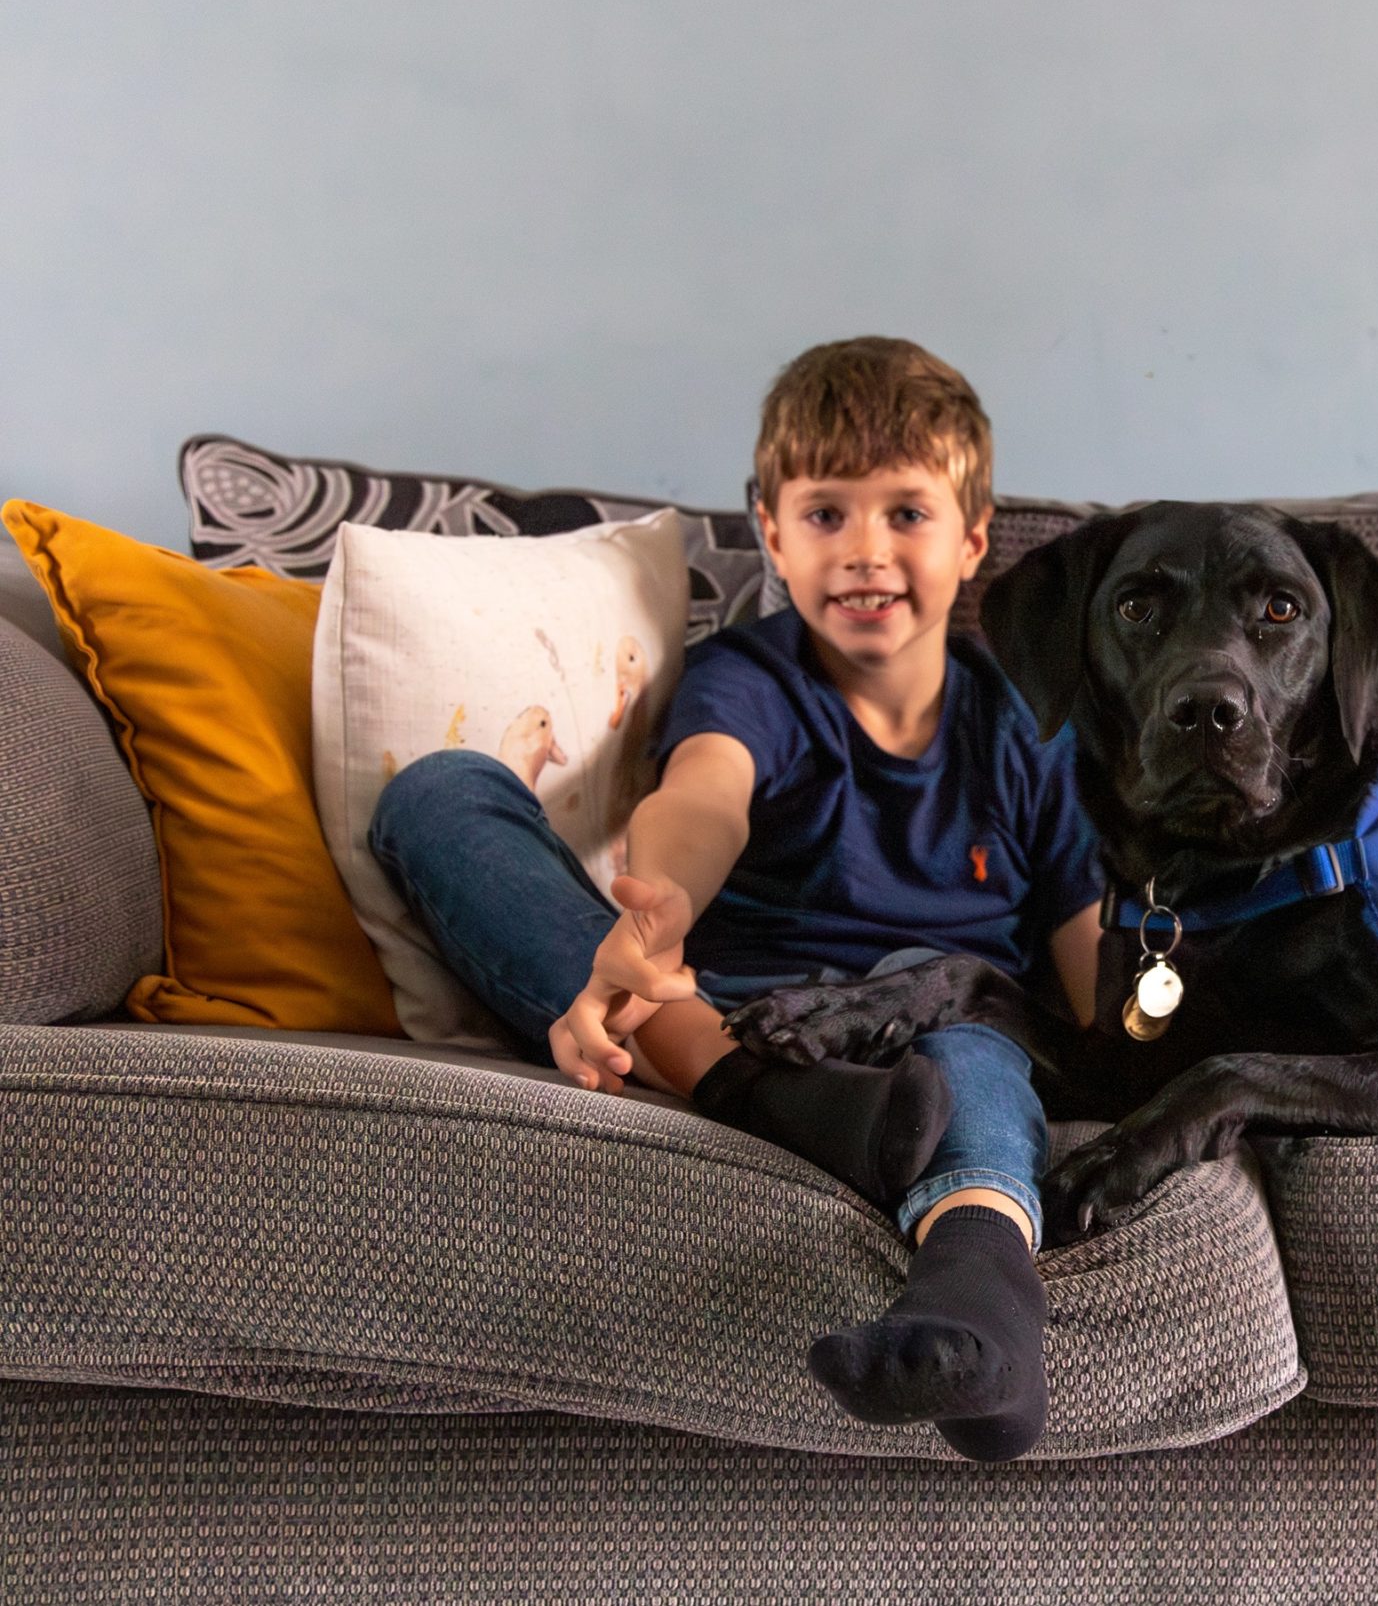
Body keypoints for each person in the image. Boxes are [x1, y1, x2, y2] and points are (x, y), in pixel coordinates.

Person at [368, 338, 1100, 1462]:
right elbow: (704, 794)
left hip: (935, 1016)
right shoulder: (751, 676)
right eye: (825, 515)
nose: (866, 551)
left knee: (977, 1058)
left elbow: (1093, 964)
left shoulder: (1023, 722)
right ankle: (763, 1089)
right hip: (726, 1000)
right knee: (437, 790)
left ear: (974, 537)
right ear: (768, 530)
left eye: (906, 513)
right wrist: (650, 911)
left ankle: (979, 1294)